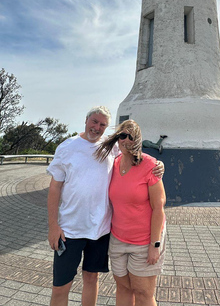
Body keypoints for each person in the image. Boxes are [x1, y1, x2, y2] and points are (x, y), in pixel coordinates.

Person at [46, 107, 164, 306]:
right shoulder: (67, 147)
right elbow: (55, 187)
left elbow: (135, 154)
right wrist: (53, 226)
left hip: (100, 231)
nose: (97, 127)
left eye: (102, 124)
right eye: (94, 121)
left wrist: (159, 164)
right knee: (60, 286)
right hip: (70, 230)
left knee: (92, 279)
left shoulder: (111, 147)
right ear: (86, 120)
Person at [95, 119, 166, 306]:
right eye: (121, 136)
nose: (125, 140)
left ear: (138, 139)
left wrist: (155, 244)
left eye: (130, 136)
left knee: (143, 292)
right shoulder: (114, 163)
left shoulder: (150, 166)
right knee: (124, 287)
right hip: (118, 239)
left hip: (144, 241)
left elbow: (159, 208)